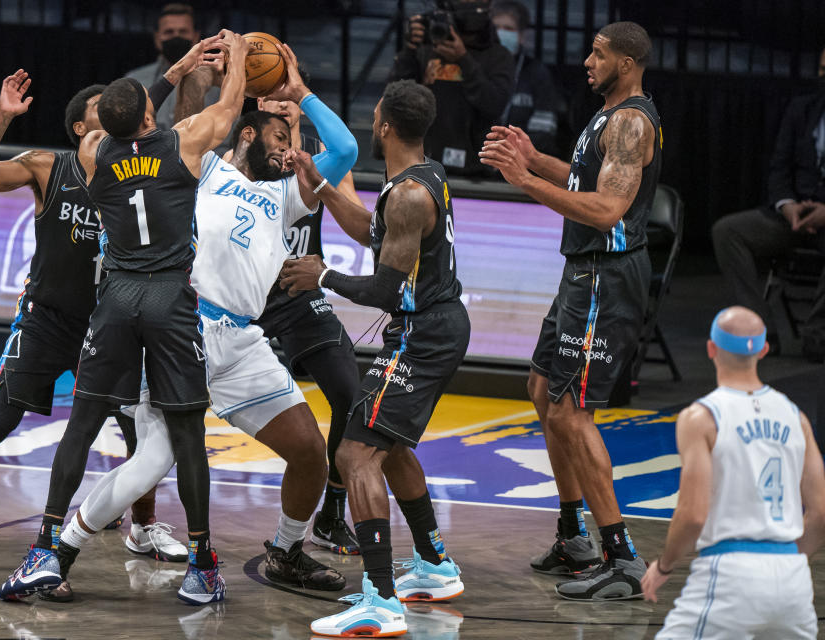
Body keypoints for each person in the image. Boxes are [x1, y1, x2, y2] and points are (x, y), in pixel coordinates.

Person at [31, 44, 359, 600]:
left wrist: (297, 89)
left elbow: (346, 148)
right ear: (248, 136)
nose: (289, 151)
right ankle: (62, 552)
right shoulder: (199, 165)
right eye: (280, 139)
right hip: (182, 325)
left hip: (243, 342)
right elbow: (175, 122)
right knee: (153, 460)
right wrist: (208, 72)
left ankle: (286, 550)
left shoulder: (286, 196)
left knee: (308, 449)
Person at [0, 57, 199, 572]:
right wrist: (3, 117)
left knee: (135, 428)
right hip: (47, 318)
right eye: (102, 121)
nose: (115, 128)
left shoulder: (137, 171)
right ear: (81, 129)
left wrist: (184, 73)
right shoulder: (46, 166)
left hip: (109, 320)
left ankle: (143, 527)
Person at [0, 32, 242, 603]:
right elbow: (228, 107)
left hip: (116, 299)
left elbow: (123, 117)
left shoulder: (93, 153)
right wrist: (232, 64)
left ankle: (44, 548)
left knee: (81, 426)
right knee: (186, 432)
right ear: (152, 115)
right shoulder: (184, 142)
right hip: (168, 299)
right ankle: (202, 564)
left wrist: (169, 75)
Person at [280, 78, 470, 638]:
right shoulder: (418, 179)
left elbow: (385, 291)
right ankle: (434, 564)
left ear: (382, 124)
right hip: (430, 328)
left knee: (356, 455)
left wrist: (324, 276)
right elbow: (376, 232)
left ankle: (380, 599)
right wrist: (323, 187)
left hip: (422, 334)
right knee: (388, 447)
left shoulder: (409, 194)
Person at [480, 21, 661, 600]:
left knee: (570, 411)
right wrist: (536, 160)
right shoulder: (608, 114)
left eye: (599, 54)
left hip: (606, 277)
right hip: (582, 273)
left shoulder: (632, 121)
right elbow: (587, 177)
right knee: (540, 389)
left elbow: (607, 209)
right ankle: (572, 535)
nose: (587, 61)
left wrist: (522, 180)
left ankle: (622, 557)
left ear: (628, 62)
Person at [641, 306, 825, 639]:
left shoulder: (701, 417)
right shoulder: (797, 418)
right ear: (765, 350)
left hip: (730, 574)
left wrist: (664, 565)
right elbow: (821, 513)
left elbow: (693, 515)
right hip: (793, 580)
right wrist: (786, 564)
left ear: (711, 348)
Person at [249, 87, 364, 555]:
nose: (279, 108)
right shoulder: (239, 158)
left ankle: (331, 516)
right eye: (268, 102)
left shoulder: (323, 157)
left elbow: (357, 217)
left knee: (352, 396)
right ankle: (136, 506)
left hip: (297, 291)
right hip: (243, 297)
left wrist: (315, 176)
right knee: (167, 402)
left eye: (285, 101)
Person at [711, 47, 825, 362]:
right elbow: (778, 166)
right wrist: (787, 205)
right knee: (729, 231)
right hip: (794, 215)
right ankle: (759, 329)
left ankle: (818, 335)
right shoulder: (803, 109)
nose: (823, 76)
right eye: (821, 69)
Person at [388, 0, 513, 177]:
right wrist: (409, 51)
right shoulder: (427, 49)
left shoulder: (498, 56)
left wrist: (463, 59)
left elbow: (493, 104)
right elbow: (396, 103)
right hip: (424, 166)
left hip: (477, 172)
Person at [490, 0, 563, 157]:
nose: (500, 33)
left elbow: (544, 130)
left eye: (508, 28)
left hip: (520, 163)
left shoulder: (537, 73)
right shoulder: (477, 67)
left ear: (522, 35)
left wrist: (511, 154)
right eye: (495, 28)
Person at [125, 3, 215, 130]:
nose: (176, 36)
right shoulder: (134, 81)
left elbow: (226, 140)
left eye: (183, 32)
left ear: (195, 37)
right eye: (169, 32)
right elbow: (126, 130)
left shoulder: (216, 83)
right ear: (157, 38)